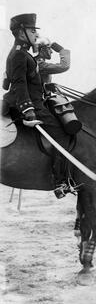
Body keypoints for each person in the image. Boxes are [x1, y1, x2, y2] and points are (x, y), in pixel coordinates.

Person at [3, 13, 71, 199]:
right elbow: (19, 84)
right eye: (32, 30)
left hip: (31, 100)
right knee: (61, 133)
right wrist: (29, 111)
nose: (35, 34)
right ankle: (60, 182)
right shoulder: (19, 54)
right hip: (30, 104)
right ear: (21, 32)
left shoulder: (23, 54)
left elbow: (9, 81)